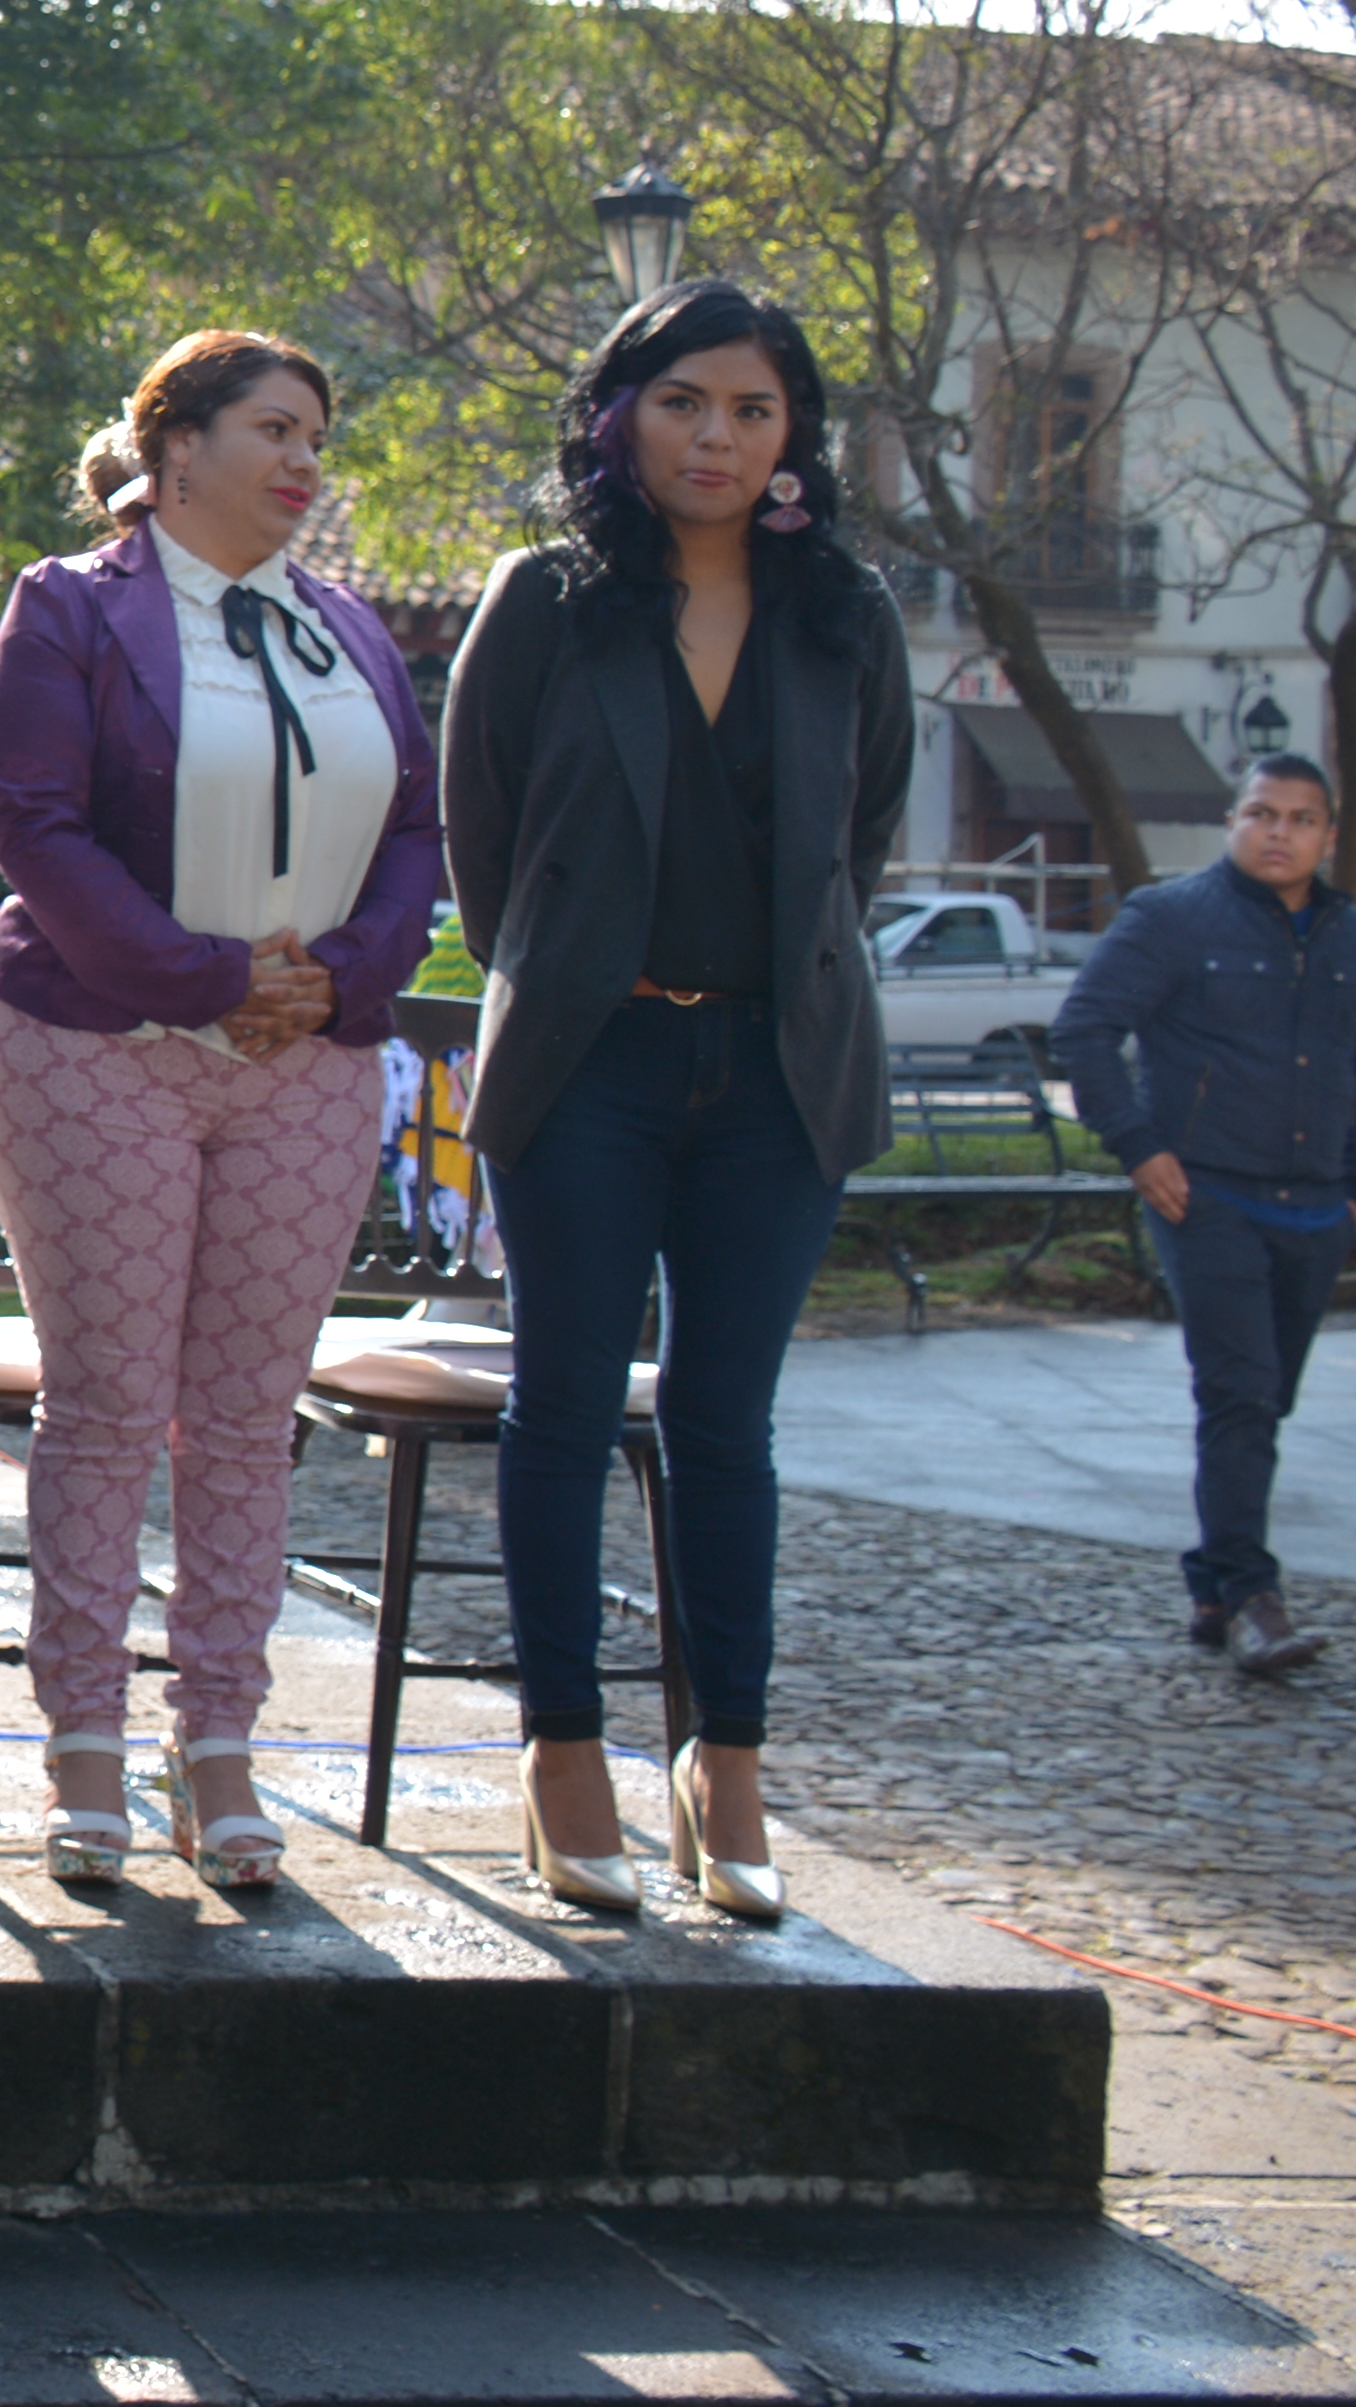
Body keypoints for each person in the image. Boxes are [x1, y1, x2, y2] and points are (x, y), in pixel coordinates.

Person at [436, 276, 916, 1924]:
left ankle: (730, 1762)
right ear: (618, 414)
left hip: (778, 1069)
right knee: (564, 1408)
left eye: (755, 410)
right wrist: (572, 983)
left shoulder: (846, 612)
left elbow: (864, 848)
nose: (718, 437)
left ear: (795, 438)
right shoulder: (546, 600)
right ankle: (564, 1747)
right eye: (685, 402)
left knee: (726, 1427)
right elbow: (485, 851)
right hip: (592, 1065)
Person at [0, 332, 445, 1889]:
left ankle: (222, 1743)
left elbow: (419, 828)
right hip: (95, 1042)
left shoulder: (350, 629)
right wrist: (200, 975)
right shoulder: (71, 608)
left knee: (245, 1422)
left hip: (307, 1065)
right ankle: (84, 1743)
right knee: (107, 1407)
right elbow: (32, 825)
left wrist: (346, 976)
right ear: (173, 450)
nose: (306, 463)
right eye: (274, 431)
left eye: (317, 436)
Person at [1050, 754, 1356, 1678]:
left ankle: (1212, 1582)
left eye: (1301, 818)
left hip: (1319, 1206)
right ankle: (1253, 1597)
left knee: (1263, 1402)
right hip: (1207, 1197)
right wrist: (1138, 1144)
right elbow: (1085, 1028)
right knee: (1242, 1391)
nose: (1279, 831)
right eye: (1261, 813)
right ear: (1232, 821)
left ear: (1327, 834)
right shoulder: (1170, 919)